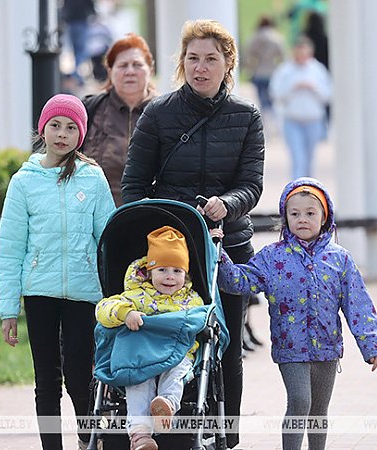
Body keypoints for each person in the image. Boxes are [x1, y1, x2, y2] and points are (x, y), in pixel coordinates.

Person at [121, 19, 266, 449]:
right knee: (168, 332)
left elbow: (252, 184)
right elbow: (133, 186)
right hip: (169, 246)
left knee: (226, 342)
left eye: (211, 59)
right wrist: (163, 225)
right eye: (193, 59)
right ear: (182, 64)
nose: (201, 68)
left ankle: (228, 434)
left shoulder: (246, 117)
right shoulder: (158, 114)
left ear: (228, 64)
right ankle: (161, 422)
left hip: (227, 243)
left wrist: (228, 204)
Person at [216, 177, 377, 450]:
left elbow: (359, 304)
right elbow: (238, 281)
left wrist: (373, 345)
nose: (302, 219)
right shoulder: (272, 257)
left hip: (327, 348)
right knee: (299, 401)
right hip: (290, 347)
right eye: (294, 214)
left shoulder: (339, 259)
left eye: (310, 213)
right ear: (285, 217)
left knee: (319, 411)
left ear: (325, 217)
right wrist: (220, 255)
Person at [0, 94, 116, 450]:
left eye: (71, 127)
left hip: (84, 293)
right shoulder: (24, 182)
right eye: (55, 125)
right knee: (47, 379)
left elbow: (106, 239)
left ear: (81, 134)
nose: (62, 134)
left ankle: (88, 440)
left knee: (80, 377)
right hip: (39, 293)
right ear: (42, 129)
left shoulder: (92, 179)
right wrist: (7, 309)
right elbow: (9, 247)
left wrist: (115, 294)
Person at [96, 226, 219, 450]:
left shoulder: (191, 301)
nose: (170, 276)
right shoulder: (136, 295)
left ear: (186, 274)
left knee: (176, 373)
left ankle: (166, 406)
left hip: (177, 354)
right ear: (149, 272)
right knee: (137, 382)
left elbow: (203, 318)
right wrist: (126, 313)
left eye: (177, 270)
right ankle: (140, 435)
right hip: (141, 357)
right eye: (162, 269)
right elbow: (103, 309)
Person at [81, 33, 158, 206]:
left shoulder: (168, 112)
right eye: (122, 65)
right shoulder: (89, 110)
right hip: (97, 219)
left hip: (154, 220)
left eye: (137, 65)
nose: (130, 71)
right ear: (110, 71)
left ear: (150, 70)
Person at [269, 35, 332, 180]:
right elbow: (276, 93)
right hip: (293, 120)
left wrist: (313, 88)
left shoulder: (317, 69)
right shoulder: (285, 70)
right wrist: (293, 87)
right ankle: (296, 189)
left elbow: (327, 94)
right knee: (298, 159)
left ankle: (309, 189)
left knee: (309, 159)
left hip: (313, 120)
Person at [244, 16, 286, 133]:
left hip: (259, 71)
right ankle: (274, 124)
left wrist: (250, 68)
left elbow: (248, 56)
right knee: (272, 99)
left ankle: (264, 124)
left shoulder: (254, 37)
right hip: (272, 71)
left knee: (261, 99)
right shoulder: (277, 37)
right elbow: (282, 56)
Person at [60, 0, 96, 86]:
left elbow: (65, 7)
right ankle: (76, 74)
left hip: (71, 23)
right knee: (81, 50)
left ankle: (76, 74)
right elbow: (91, 6)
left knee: (76, 50)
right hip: (81, 22)